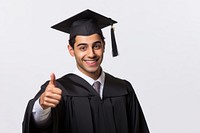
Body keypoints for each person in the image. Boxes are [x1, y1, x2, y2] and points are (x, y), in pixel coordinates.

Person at [22, 9, 150, 133]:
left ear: (104, 46)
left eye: (96, 46)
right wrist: (42, 106)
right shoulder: (59, 90)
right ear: (71, 50)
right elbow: (40, 125)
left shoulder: (123, 89)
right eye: (83, 48)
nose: (91, 54)